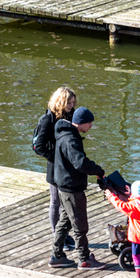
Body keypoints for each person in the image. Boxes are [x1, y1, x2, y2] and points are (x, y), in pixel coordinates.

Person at [50, 107, 106, 268]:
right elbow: (80, 163)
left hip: (64, 186)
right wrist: (98, 170)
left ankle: (57, 255)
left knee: (64, 222)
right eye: (89, 123)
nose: (91, 127)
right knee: (80, 225)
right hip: (72, 189)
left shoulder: (65, 135)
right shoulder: (70, 140)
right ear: (81, 123)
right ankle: (85, 259)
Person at [31, 86, 78, 245]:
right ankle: (56, 235)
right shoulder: (48, 119)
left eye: (72, 103)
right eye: (68, 103)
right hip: (55, 165)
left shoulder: (72, 115)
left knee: (67, 202)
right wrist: (55, 157)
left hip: (69, 165)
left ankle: (63, 233)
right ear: (60, 102)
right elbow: (38, 147)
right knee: (56, 201)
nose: (71, 106)